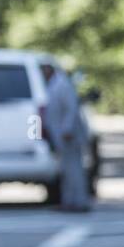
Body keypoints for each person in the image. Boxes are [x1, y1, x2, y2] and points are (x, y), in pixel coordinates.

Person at [41, 64, 90, 212]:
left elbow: (71, 108)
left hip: (69, 135)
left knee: (74, 170)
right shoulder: (53, 85)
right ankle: (68, 201)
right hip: (60, 135)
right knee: (66, 170)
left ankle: (79, 202)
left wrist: (67, 129)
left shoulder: (63, 85)